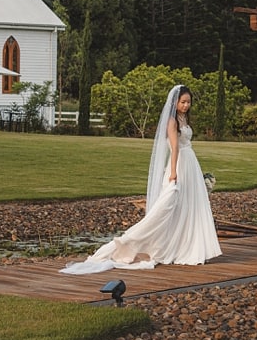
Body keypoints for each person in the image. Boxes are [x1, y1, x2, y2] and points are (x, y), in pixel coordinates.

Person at [61, 84, 221, 274]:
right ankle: (132, 242)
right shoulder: (171, 121)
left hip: (191, 162)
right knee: (169, 203)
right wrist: (173, 172)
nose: (186, 106)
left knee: (190, 205)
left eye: (188, 102)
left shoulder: (183, 118)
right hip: (180, 164)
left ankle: (189, 244)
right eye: (183, 102)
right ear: (175, 102)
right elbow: (175, 147)